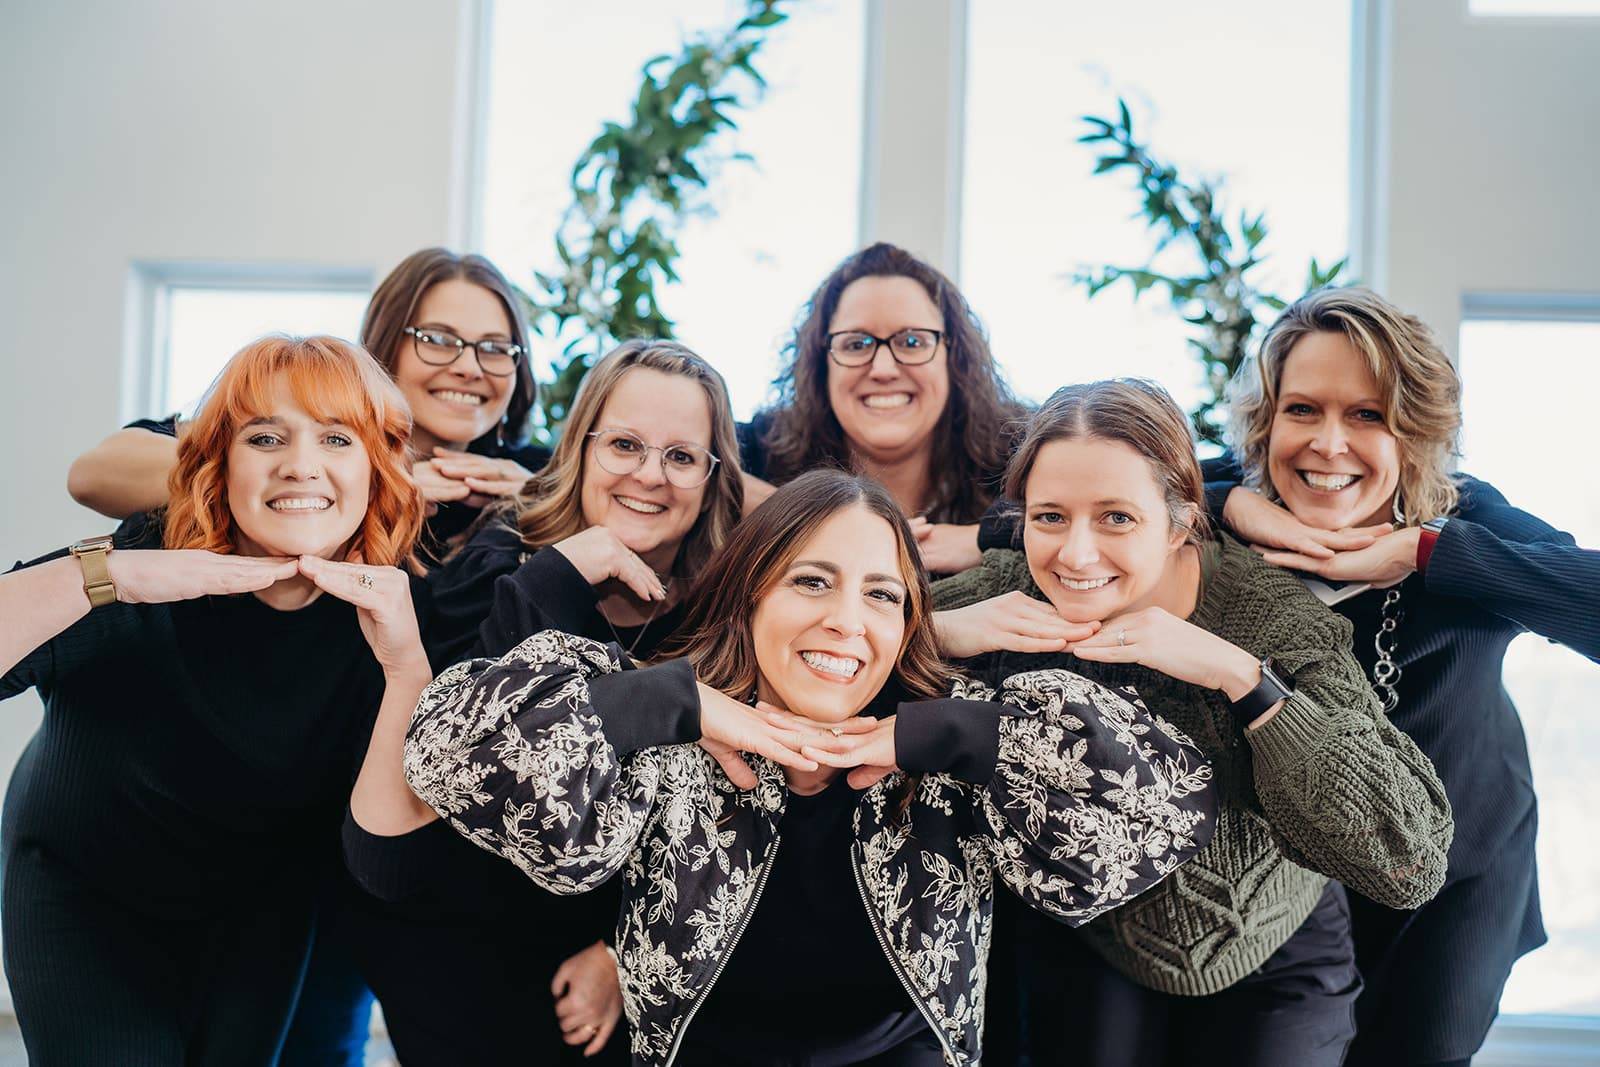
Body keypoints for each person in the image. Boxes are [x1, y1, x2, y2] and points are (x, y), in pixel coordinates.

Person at [403, 469, 1219, 1066]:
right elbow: (442, 749)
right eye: (812, 581)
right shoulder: (668, 734)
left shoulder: (957, 748)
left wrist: (936, 738)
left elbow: (1169, 806)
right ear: (751, 594)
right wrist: (676, 705)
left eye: (881, 595)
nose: (845, 622)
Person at [933, 379, 1454, 1067]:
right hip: (1092, 936)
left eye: (1116, 517)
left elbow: (1410, 859)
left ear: (1182, 518)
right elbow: (821, 647)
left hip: (1274, 946)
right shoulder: (1008, 594)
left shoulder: (1269, 618)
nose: (1075, 554)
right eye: (1050, 517)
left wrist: (1240, 676)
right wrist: (937, 631)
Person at [0, 335, 432, 1066]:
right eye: (265, 437)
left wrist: (405, 666)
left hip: (257, 913)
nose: (300, 464)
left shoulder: (390, 618)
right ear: (220, 464)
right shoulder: (142, 555)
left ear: (376, 470)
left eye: (335, 437)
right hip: (85, 894)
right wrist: (116, 577)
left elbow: (387, 868)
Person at [1212, 286, 1600, 1067]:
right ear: (1267, 421)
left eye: (1368, 415)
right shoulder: (1227, 492)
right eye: (1303, 410)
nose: (1328, 444)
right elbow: (1049, 511)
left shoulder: (1467, 516)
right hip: (1286, 882)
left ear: (1416, 433)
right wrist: (1226, 506)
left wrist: (1424, 551)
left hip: (1462, 879)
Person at [341, 339, 744, 1064]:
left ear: (713, 477)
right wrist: (561, 572)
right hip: (453, 954)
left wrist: (622, 946)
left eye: (682, 456)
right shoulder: (493, 566)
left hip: (623, 972)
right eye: (625, 444)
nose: (650, 476)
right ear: (580, 446)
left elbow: (732, 816)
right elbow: (453, 763)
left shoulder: (727, 616)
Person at [66, 247, 546, 563]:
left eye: (496, 348)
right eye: (439, 340)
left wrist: (546, 504)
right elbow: (90, 477)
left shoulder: (536, 474)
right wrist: (374, 482)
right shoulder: (285, 433)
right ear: (384, 343)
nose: (470, 366)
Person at [740, 241, 1028, 574]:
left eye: (911, 342)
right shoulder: (761, 450)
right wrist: (806, 519)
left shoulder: (1020, 456)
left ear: (953, 357)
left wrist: (985, 535)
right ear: (822, 364)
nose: (883, 369)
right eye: (856, 344)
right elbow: (691, 455)